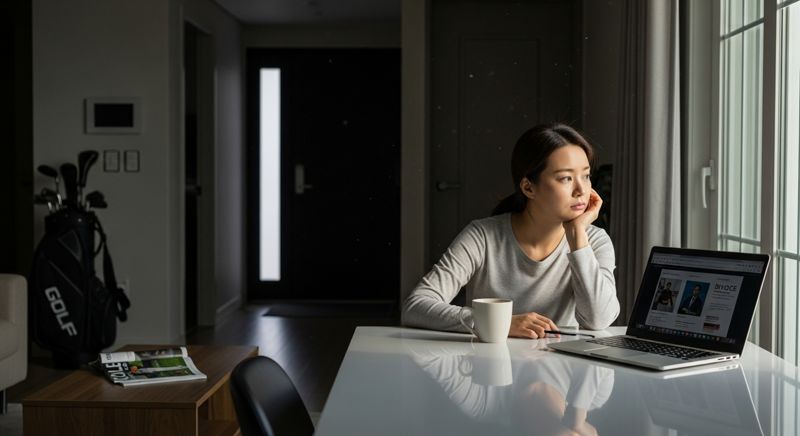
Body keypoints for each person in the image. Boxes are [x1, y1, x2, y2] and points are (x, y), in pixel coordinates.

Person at [402, 123, 620, 338]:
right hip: (492, 365)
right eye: (566, 178)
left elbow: (598, 320)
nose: (582, 190)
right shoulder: (483, 236)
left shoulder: (594, 240)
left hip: (564, 368)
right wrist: (498, 324)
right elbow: (416, 306)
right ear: (528, 187)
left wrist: (577, 239)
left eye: (586, 175)